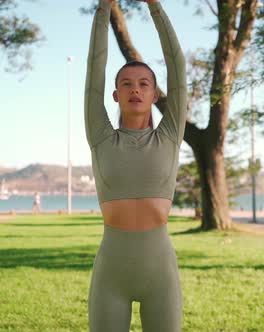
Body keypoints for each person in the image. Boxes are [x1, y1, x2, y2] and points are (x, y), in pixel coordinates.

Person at [84, 0, 186, 331]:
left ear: (155, 93)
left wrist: (154, 7)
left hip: (160, 275)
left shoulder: (170, 135)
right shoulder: (100, 136)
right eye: (126, 84)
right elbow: (94, 70)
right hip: (112, 274)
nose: (135, 90)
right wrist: (104, 9)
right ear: (115, 94)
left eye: (144, 84)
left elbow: (177, 65)